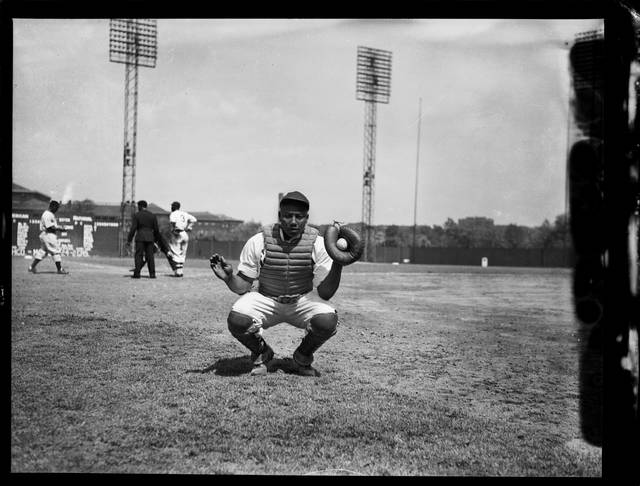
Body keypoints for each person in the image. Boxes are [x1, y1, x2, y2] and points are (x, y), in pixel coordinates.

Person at [210, 191, 344, 377]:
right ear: (280, 216)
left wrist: (338, 262)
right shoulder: (259, 241)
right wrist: (229, 278)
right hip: (267, 298)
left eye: (299, 216)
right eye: (288, 215)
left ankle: (303, 356)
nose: (293, 221)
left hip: (301, 299)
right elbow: (242, 287)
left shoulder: (318, 244)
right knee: (237, 320)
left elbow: (325, 293)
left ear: (306, 218)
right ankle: (262, 352)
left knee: (327, 321)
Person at [28, 199, 69, 275]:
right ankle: (60, 269)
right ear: (52, 206)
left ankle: (31, 267)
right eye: (56, 207)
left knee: (43, 252)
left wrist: (59, 228)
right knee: (56, 251)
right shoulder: (48, 214)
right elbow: (50, 227)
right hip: (49, 235)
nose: (57, 209)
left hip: (46, 235)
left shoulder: (48, 214)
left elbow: (51, 226)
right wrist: (61, 228)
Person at [126, 200, 161, 279]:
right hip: (150, 238)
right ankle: (152, 274)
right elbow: (156, 230)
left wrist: (129, 240)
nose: (137, 208)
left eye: (138, 206)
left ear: (140, 206)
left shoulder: (137, 215)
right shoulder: (152, 216)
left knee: (139, 255)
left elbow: (133, 229)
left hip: (140, 237)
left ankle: (137, 273)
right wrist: (156, 240)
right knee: (150, 256)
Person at [166, 201, 197, 277]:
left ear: (174, 207)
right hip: (184, 233)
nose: (171, 207)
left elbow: (173, 222)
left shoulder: (173, 214)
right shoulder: (184, 213)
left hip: (177, 233)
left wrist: (173, 229)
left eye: (172, 206)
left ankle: (178, 271)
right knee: (183, 252)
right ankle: (180, 270)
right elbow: (194, 219)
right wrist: (189, 227)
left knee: (175, 251)